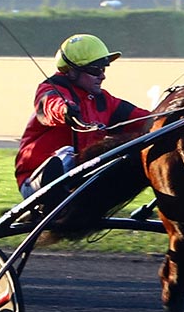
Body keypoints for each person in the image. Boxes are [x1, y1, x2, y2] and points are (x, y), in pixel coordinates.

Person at [14, 33, 150, 198]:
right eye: (95, 70)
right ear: (72, 72)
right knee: (67, 153)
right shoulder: (52, 90)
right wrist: (65, 110)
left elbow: (146, 120)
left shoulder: (105, 101)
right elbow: (50, 106)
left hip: (80, 177)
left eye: (103, 69)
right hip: (35, 181)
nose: (102, 76)